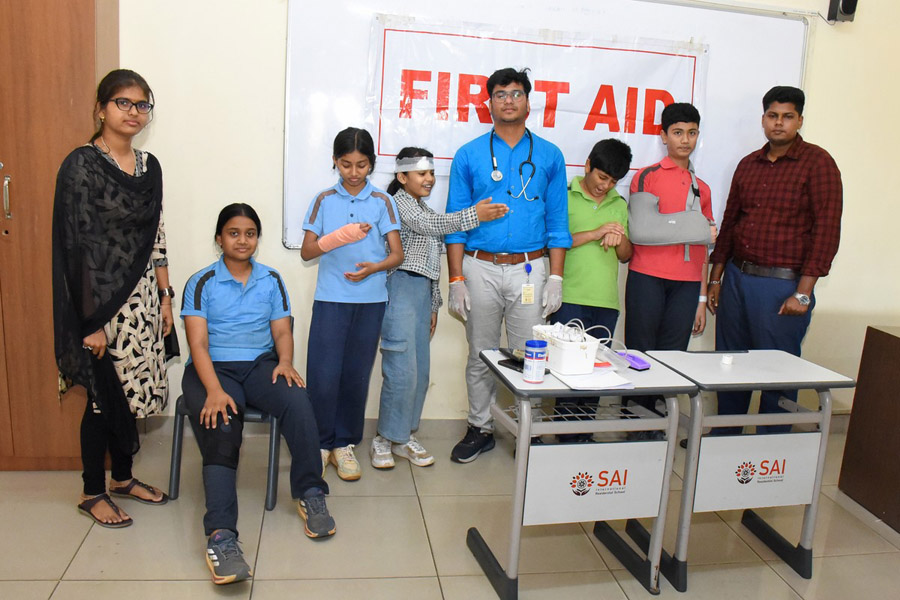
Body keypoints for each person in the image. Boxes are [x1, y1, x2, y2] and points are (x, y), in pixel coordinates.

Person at [182, 204, 333, 585]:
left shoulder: (271, 279)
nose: (242, 240)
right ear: (219, 238)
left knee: (298, 400)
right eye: (233, 233)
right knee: (222, 424)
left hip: (259, 365)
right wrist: (213, 390)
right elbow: (198, 344)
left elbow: (282, 330)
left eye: (250, 233)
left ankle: (310, 492)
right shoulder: (201, 281)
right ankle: (221, 537)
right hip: (211, 368)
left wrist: (286, 362)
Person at [53, 69, 170, 529]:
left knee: (132, 393)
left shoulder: (149, 166)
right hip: (99, 302)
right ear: (101, 108)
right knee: (103, 399)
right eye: (124, 102)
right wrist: (90, 320)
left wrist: (165, 297)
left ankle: (122, 478)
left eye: (142, 105)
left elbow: (157, 236)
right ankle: (91, 491)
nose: (134, 112)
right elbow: (75, 245)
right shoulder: (81, 165)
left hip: (142, 299)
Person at [445, 67, 572, 463]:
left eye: (516, 93)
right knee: (481, 354)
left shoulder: (550, 156)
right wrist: (455, 279)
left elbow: (558, 223)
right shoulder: (469, 155)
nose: (508, 101)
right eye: (500, 94)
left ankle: (528, 431)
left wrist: (556, 276)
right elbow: (455, 222)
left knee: (529, 354)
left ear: (528, 102)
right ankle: (479, 428)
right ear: (489, 103)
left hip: (530, 270)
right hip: (479, 267)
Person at [708, 86, 842, 434]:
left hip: (782, 286)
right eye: (772, 116)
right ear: (763, 119)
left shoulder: (818, 163)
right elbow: (730, 223)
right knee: (730, 365)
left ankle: (771, 444)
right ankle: (725, 437)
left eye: (787, 116)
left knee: (777, 371)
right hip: (737, 279)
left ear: (800, 120)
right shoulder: (748, 164)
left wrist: (803, 293)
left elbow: (826, 231)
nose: (778, 123)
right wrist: (716, 278)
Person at [372, 147, 508, 469]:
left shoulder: (423, 207)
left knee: (419, 374)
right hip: (399, 290)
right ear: (402, 177)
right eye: (422, 173)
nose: (430, 179)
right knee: (401, 372)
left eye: (432, 173)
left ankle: (403, 436)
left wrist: (433, 305)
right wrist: (475, 215)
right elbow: (431, 226)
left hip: (420, 295)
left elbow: (433, 263)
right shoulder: (398, 204)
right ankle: (383, 439)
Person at [301, 127, 404, 480]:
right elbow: (307, 251)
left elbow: (396, 254)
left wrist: (375, 268)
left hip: (371, 300)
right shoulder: (324, 199)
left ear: (371, 164)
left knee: (356, 375)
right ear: (335, 161)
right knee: (323, 374)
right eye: (346, 164)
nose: (354, 172)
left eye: (361, 165)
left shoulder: (382, 201)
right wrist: (338, 237)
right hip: (331, 298)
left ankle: (344, 444)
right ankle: (319, 444)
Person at [624, 103, 715, 430]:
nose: (685, 140)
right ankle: (634, 424)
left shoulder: (702, 188)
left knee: (672, 358)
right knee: (640, 354)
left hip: (687, 283)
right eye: (677, 133)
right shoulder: (646, 176)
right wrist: (692, 228)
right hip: (647, 276)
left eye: (691, 133)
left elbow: (704, 246)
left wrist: (701, 299)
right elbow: (641, 232)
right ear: (664, 136)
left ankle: (661, 425)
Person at [551, 139, 633, 442]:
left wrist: (619, 237)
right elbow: (553, 242)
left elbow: (625, 255)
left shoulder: (619, 204)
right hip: (569, 296)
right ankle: (562, 435)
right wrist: (597, 232)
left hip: (606, 301)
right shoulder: (564, 196)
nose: (605, 186)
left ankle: (584, 434)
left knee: (596, 370)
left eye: (613, 181)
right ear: (587, 165)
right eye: (602, 177)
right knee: (566, 370)